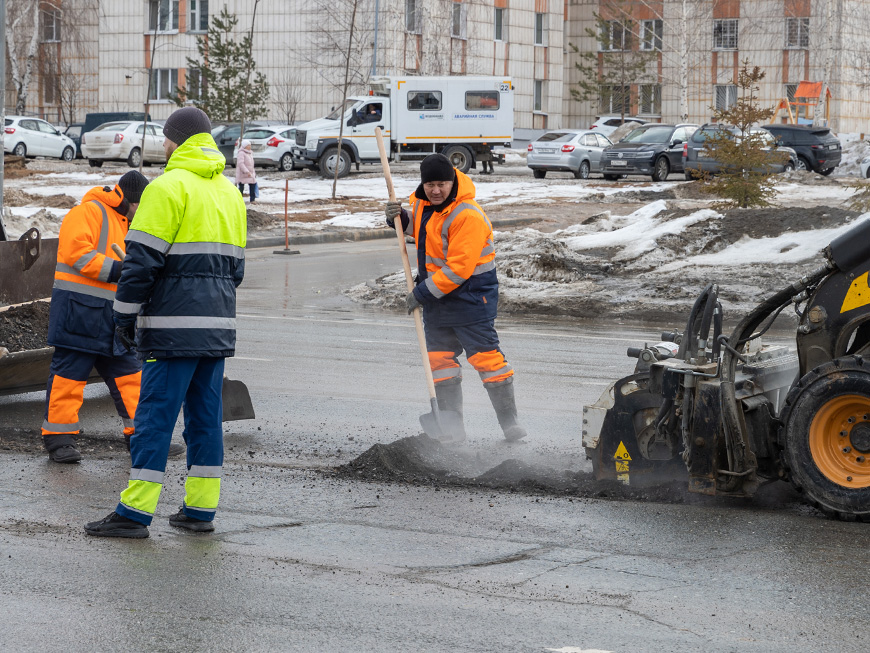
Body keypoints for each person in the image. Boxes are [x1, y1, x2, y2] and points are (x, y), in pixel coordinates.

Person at [85, 106, 247, 539]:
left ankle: (134, 514)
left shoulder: (165, 188)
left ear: (174, 140)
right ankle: (200, 510)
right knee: (204, 419)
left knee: (155, 417)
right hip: (217, 329)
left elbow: (139, 265)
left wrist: (123, 316)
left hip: (171, 329)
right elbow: (237, 271)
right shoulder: (231, 193)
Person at [41, 171, 185, 463]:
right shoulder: (86, 212)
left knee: (131, 377)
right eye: (141, 206)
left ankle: (141, 439)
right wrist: (122, 270)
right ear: (130, 201)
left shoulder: (129, 223)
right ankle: (58, 441)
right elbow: (77, 255)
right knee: (69, 377)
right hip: (79, 313)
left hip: (112, 318)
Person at [385, 153, 527, 444]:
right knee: (439, 362)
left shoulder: (468, 215)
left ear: (453, 182)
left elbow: (459, 268)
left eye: (442, 184)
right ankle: (452, 429)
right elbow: (423, 231)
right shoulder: (424, 204)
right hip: (439, 300)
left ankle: (510, 423)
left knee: (488, 361)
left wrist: (421, 293)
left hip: (471, 299)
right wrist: (400, 219)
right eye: (430, 185)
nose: (435, 190)